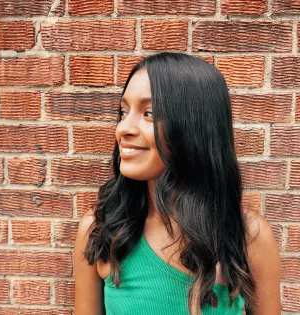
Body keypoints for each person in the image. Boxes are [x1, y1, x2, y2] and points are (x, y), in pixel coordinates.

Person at [74, 52, 281, 315]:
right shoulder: (101, 231)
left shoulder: (248, 236)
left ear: (193, 126)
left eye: (148, 113)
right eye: (123, 112)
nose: (123, 128)